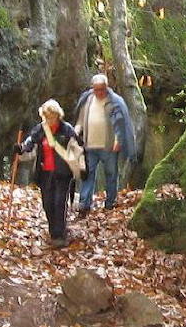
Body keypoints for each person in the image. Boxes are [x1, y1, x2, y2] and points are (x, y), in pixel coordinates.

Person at [17, 99, 84, 248]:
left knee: (59, 202)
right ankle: (54, 232)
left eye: (52, 117)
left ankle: (59, 236)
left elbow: (78, 146)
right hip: (45, 173)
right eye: (47, 117)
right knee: (48, 204)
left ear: (58, 115)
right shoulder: (40, 129)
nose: (50, 120)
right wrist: (21, 149)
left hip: (63, 173)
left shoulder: (66, 130)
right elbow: (30, 143)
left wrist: (80, 166)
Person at [70, 73, 136, 215]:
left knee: (111, 174)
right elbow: (80, 121)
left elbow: (120, 123)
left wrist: (118, 140)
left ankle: (110, 202)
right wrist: (76, 132)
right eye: (96, 89)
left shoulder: (115, 102)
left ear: (107, 87)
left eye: (102, 89)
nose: (99, 92)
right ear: (93, 88)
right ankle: (84, 203)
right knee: (87, 174)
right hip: (89, 145)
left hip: (109, 146)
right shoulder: (87, 100)